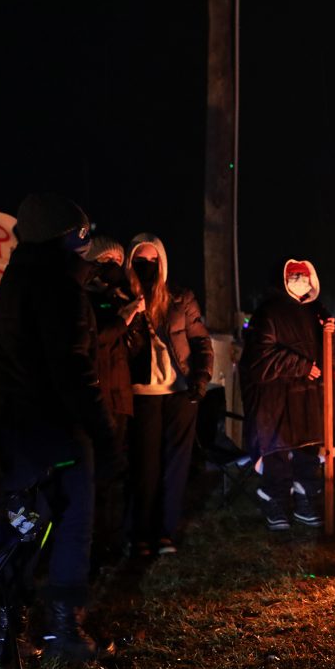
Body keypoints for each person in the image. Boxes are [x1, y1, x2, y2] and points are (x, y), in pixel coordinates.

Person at [0, 193, 114, 660]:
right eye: (82, 233)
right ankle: (63, 631)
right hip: (59, 431)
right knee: (73, 522)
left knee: (22, 526)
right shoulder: (60, 286)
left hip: (15, 433)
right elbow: (74, 371)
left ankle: (3, 631)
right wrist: (101, 433)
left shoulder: (12, 282)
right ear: (66, 235)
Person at [239, 259, 335, 531]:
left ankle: (305, 500)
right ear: (283, 279)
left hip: (311, 397)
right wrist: (301, 366)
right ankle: (274, 499)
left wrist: (331, 334)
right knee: (278, 448)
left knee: (308, 448)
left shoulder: (318, 312)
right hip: (278, 397)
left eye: (304, 274)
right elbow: (259, 357)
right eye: (294, 275)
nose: (300, 279)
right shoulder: (268, 313)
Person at [125, 234, 213, 556]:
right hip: (142, 393)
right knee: (144, 466)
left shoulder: (180, 297)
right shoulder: (123, 296)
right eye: (140, 261)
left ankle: (165, 533)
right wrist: (131, 313)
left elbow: (201, 341)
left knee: (175, 464)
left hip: (178, 391)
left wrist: (201, 377)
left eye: (153, 261)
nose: (147, 267)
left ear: (162, 263)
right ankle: (140, 533)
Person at [82, 236, 145, 565]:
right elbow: (98, 340)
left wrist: (131, 322)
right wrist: (124, 318)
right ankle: (88, 544)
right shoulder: (82, 299)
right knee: (91, 477)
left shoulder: (115, 298)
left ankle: (108, 541)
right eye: (105, 260)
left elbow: (128, 350)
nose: (112, 268)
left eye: (117, 262)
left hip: (118, 399)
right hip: (94, 398)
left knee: (111, 475)